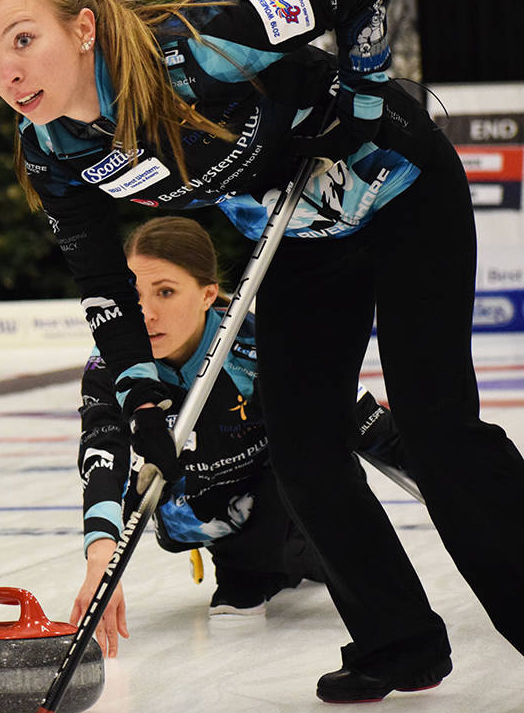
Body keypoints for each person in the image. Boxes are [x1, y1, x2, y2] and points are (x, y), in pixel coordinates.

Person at [0, 0, 524, 703]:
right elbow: (104, 287)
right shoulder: (55, 152)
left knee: (436, 429)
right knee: (303, 445)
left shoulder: (202, 48)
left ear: (84, 28)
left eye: (24, 41)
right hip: (301, 230)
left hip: (401, 190)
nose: (7, 73)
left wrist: (358, 112)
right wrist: (140, 401)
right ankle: (400, 641)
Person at [74, 216, 412, 652]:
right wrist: (100, 559)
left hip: (293, 504)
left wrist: (465, 506)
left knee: (312, 440)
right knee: (270, 557)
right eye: (134, 295)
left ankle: (293, 560)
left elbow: (371, 429)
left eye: (166, 292)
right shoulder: (109, 366)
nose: (148, 312)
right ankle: (246, 569)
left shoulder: (263, 343)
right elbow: (102, 454)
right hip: (203, 513)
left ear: (208, 294)